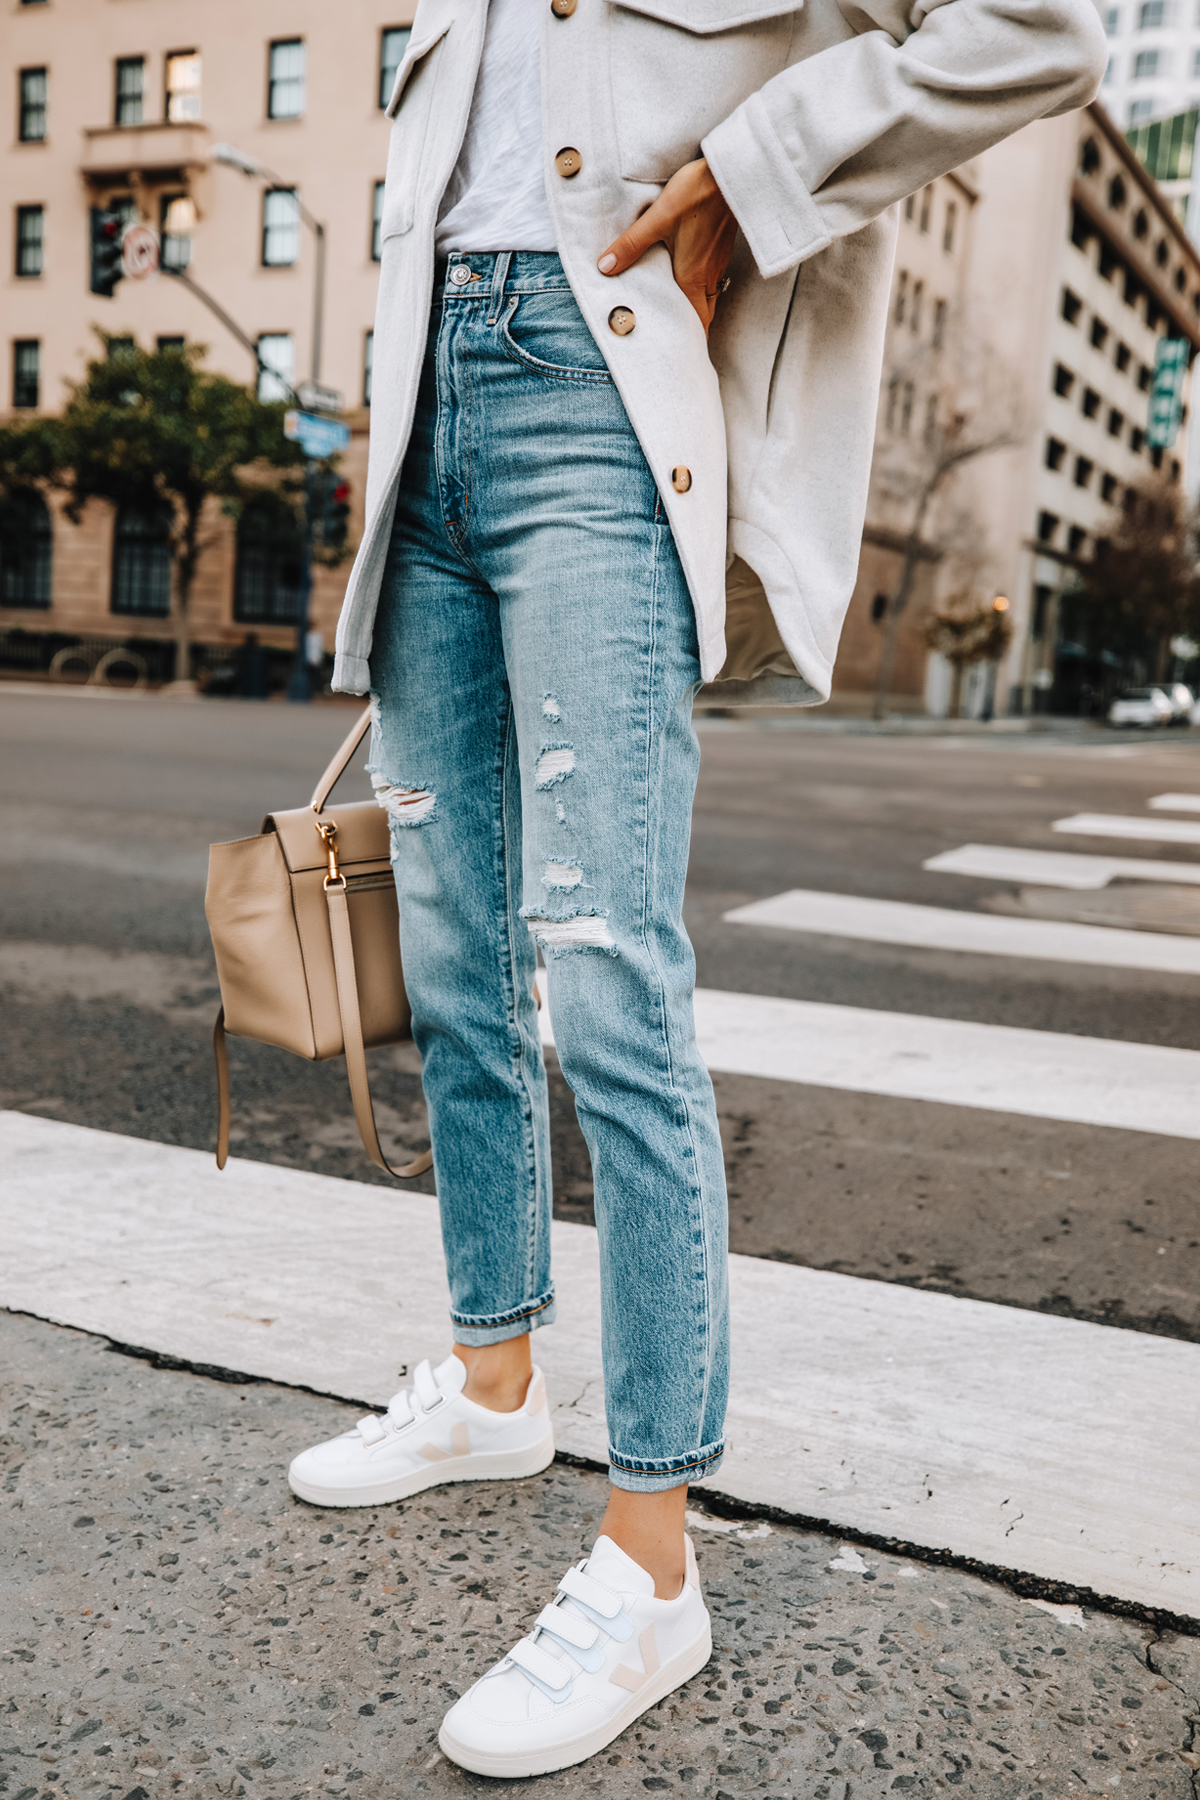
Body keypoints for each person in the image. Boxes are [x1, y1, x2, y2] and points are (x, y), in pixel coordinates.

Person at [290, 0, 1105, 1776]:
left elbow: (1038, 36)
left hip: (600, 381)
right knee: (452, 950)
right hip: (429, 392)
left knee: (608, 978)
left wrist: (758, 170)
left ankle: (653, 1560)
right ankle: (496, 1382)